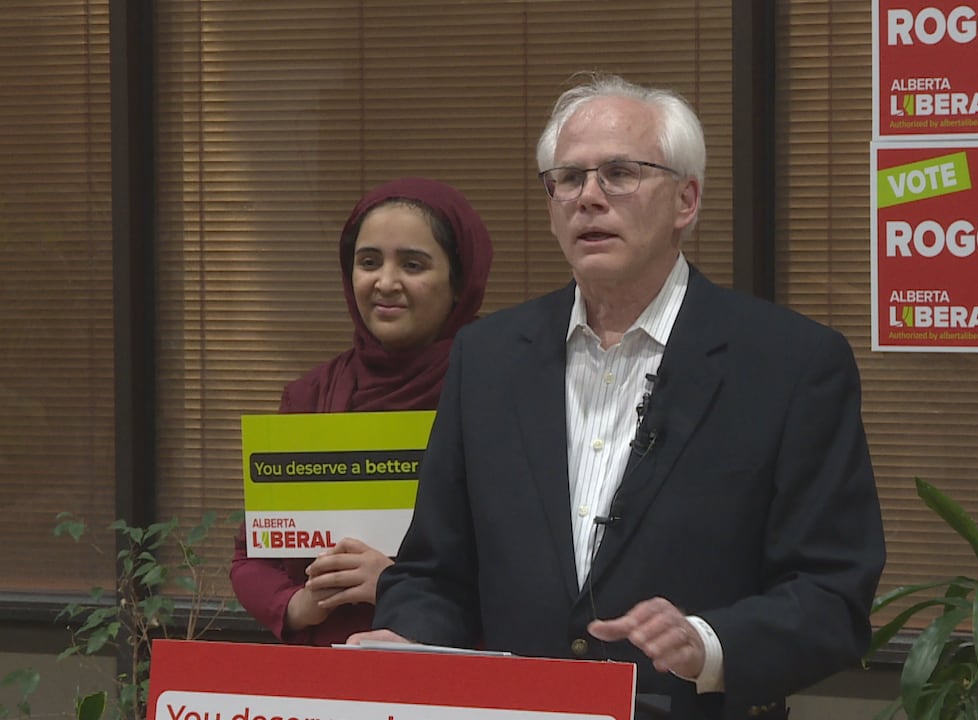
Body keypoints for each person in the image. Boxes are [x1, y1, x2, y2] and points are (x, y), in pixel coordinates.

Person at [351, 75, 885, 720]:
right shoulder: (489, 357)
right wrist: (405, 640)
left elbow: (832, 594)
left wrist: (708, 642)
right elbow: (435, 568)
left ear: (686, 200)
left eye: (621, 174)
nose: (589, 198)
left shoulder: (789, 365)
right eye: (568, 179)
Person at [230, 177, 493, 646]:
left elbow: (532, 569)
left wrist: (398, 587)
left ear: (459, 280)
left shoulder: (499, 391)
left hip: (456, 675)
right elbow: (251, 558)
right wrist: (294, 605)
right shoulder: (310, 396)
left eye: (413, 264)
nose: (385, 283)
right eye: (368, 262)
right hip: (324, 679)